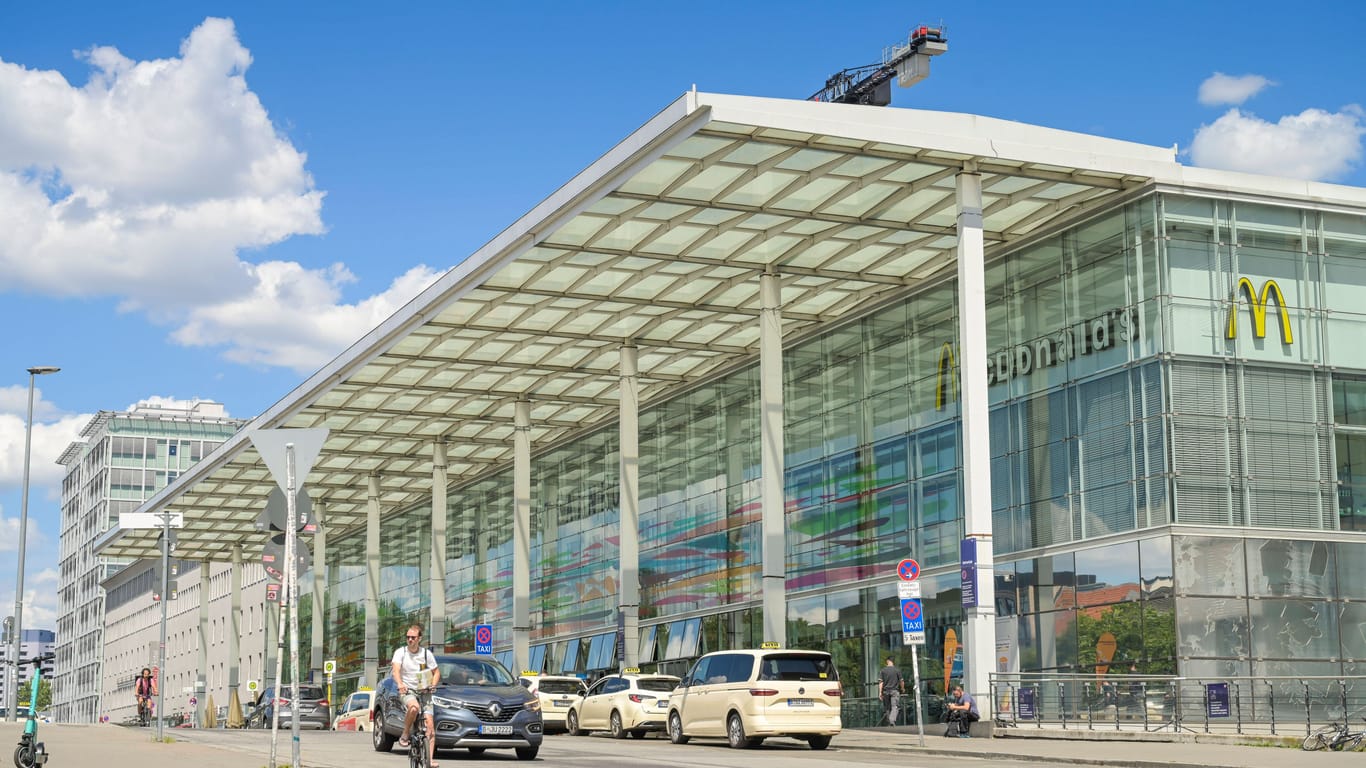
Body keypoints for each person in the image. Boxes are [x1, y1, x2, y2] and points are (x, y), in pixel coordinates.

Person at [392, 624, 442, 768]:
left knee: (430, 726)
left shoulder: (426, 654)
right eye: (408, 637)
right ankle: (405, 733)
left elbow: (436, 672)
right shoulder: (400, 652)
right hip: (408, 690)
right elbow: (396, 670)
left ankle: (430, 759)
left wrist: (433, 684)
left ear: (419, 638)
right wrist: (400, 684)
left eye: (413, 637)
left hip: (425, 691)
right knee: (413, 708)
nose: (410, 640)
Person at [877, 658, 904, 726]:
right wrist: (902, 688)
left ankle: (889, 721)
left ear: (887, 662)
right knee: (895, 706)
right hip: (894, 691)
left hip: (885, 691)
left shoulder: (883, 671)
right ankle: (892, 720)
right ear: (892, 662)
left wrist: (880, 692)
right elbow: (901, 681)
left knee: (887, 707)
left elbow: (880, 682)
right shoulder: (897, 670)